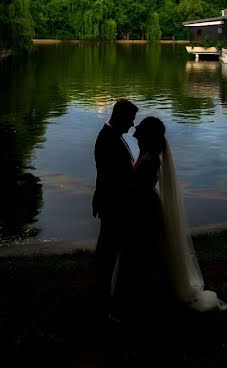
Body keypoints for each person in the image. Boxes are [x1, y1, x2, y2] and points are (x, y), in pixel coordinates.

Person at [112, 116, 227, 318]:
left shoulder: (149, 159)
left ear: (146, 133)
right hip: (144, 204)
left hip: (144, 207)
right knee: (144, 248)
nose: (135, 127)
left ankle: (144, 293)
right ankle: (141, 291)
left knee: (143, 247)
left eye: (139, 126)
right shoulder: (147, 153)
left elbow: (138, 186)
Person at [92, 98, 138, 317]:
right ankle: (102, 296)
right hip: (114, 205)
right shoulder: (107, 140)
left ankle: (104, 290)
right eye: (130, 120)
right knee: (108, 249)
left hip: (113, 203)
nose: (132, 125)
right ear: (120, 116)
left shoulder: (113, 137)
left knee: (110, 248)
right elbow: (111, 177)